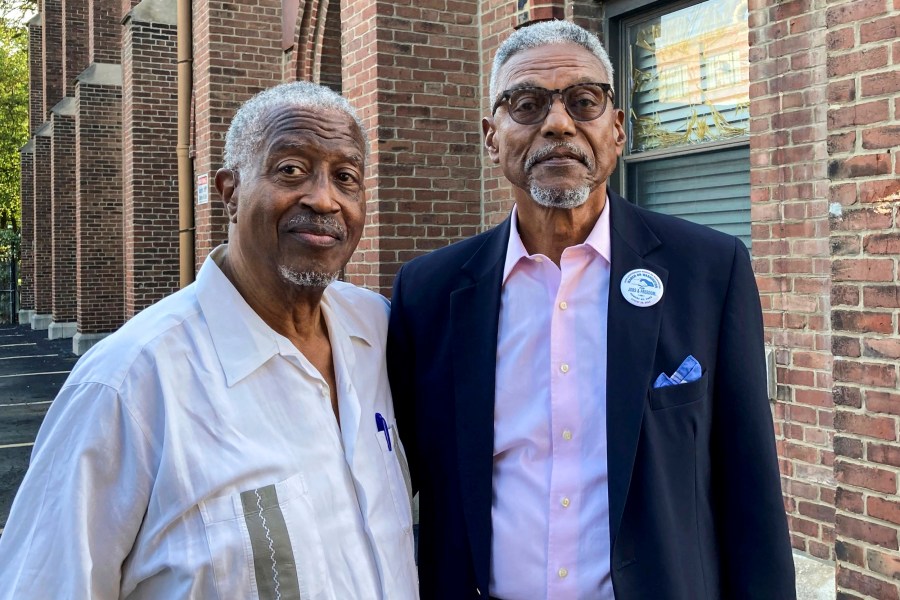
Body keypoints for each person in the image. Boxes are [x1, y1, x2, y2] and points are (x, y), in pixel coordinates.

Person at [388, 20, 795, 600]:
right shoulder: (426, 294)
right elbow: (397, 485)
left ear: (619, 129)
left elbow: (749, 486)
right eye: (526, 104)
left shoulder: (709, 270)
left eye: (584, 102)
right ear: (490, 136)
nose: (558, 124)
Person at [0, 81, 417, 599]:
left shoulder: (375, 331)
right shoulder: (129, 385)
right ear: (230, 192)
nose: (323, 198)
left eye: (346, 177)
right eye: (290, 169)